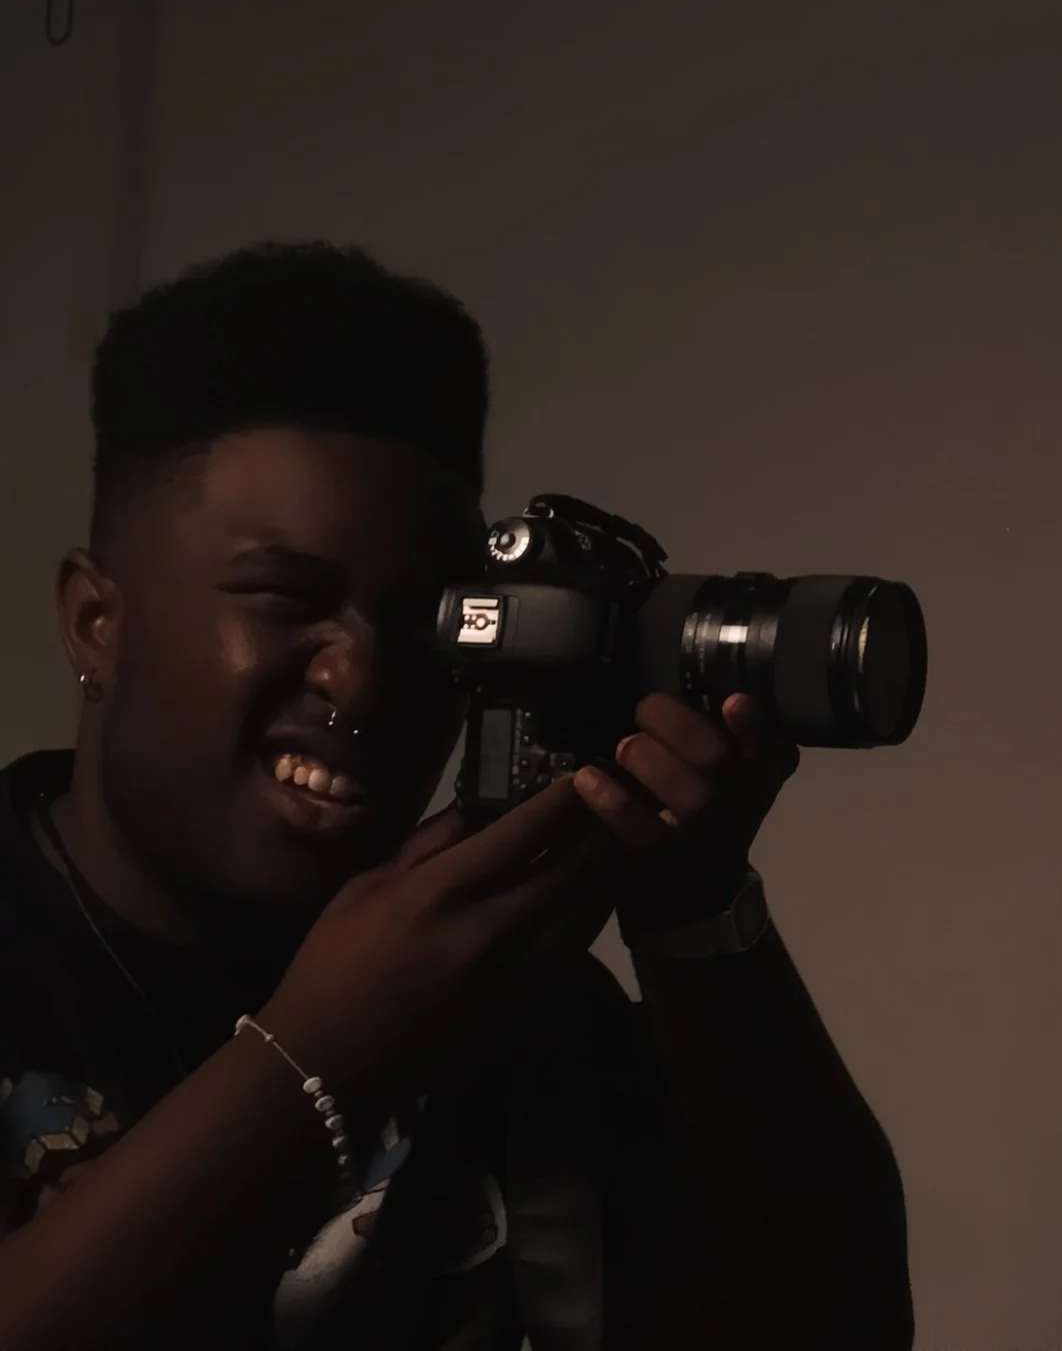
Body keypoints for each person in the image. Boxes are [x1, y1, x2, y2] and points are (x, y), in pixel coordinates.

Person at [0, 243, 912, 1350]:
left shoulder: (497, 987)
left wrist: (698, 914)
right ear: (96, 622)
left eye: (427, 619)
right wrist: (323, 1055)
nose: (363, 679)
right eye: (286, 600)